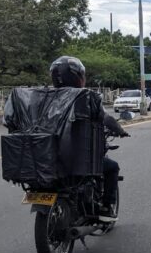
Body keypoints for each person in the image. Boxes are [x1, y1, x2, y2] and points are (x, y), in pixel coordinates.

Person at [49, 56, 129, 219]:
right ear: (77, 76)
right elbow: (105, 119)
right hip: (78, 159)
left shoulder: (44, 97)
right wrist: (120, 130)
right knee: (112, 167)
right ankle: (107, 207)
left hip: (47, 158)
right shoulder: (85, 97)